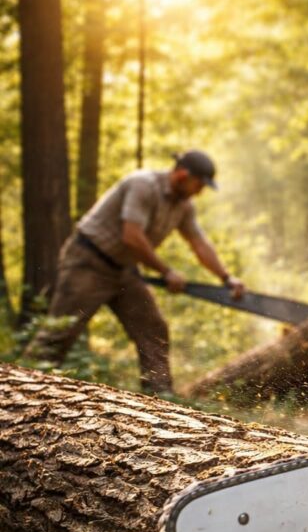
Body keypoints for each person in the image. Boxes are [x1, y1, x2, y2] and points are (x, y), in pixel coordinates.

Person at [25, 150, 245, 394]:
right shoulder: (143, 185)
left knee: (153, 329)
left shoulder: (184, 206)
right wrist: (166, 271)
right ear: (183, 175)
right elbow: (132, 236)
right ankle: (19, 392)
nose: (200, 192)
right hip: (89, 262)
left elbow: (199, 242)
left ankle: (160, 400)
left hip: (125, 270)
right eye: (199, 184)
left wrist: (226, 278)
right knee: (59, 334)